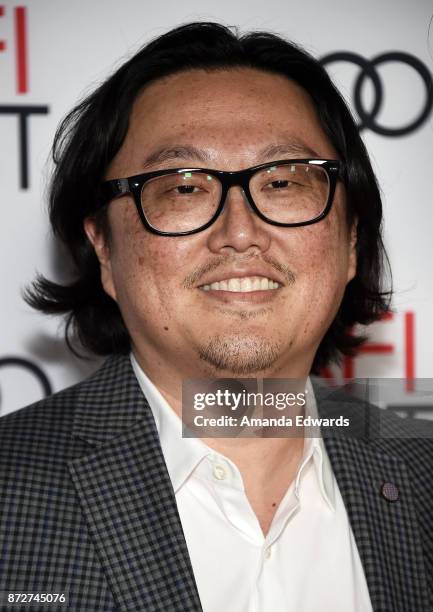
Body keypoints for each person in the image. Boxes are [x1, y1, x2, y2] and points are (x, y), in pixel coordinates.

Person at [0, 22, 432, 612]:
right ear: (103, 247)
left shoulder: (420, 468)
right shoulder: (10, 489)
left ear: (352, 238)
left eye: (283, 181)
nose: (240, 234)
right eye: (182, 188)